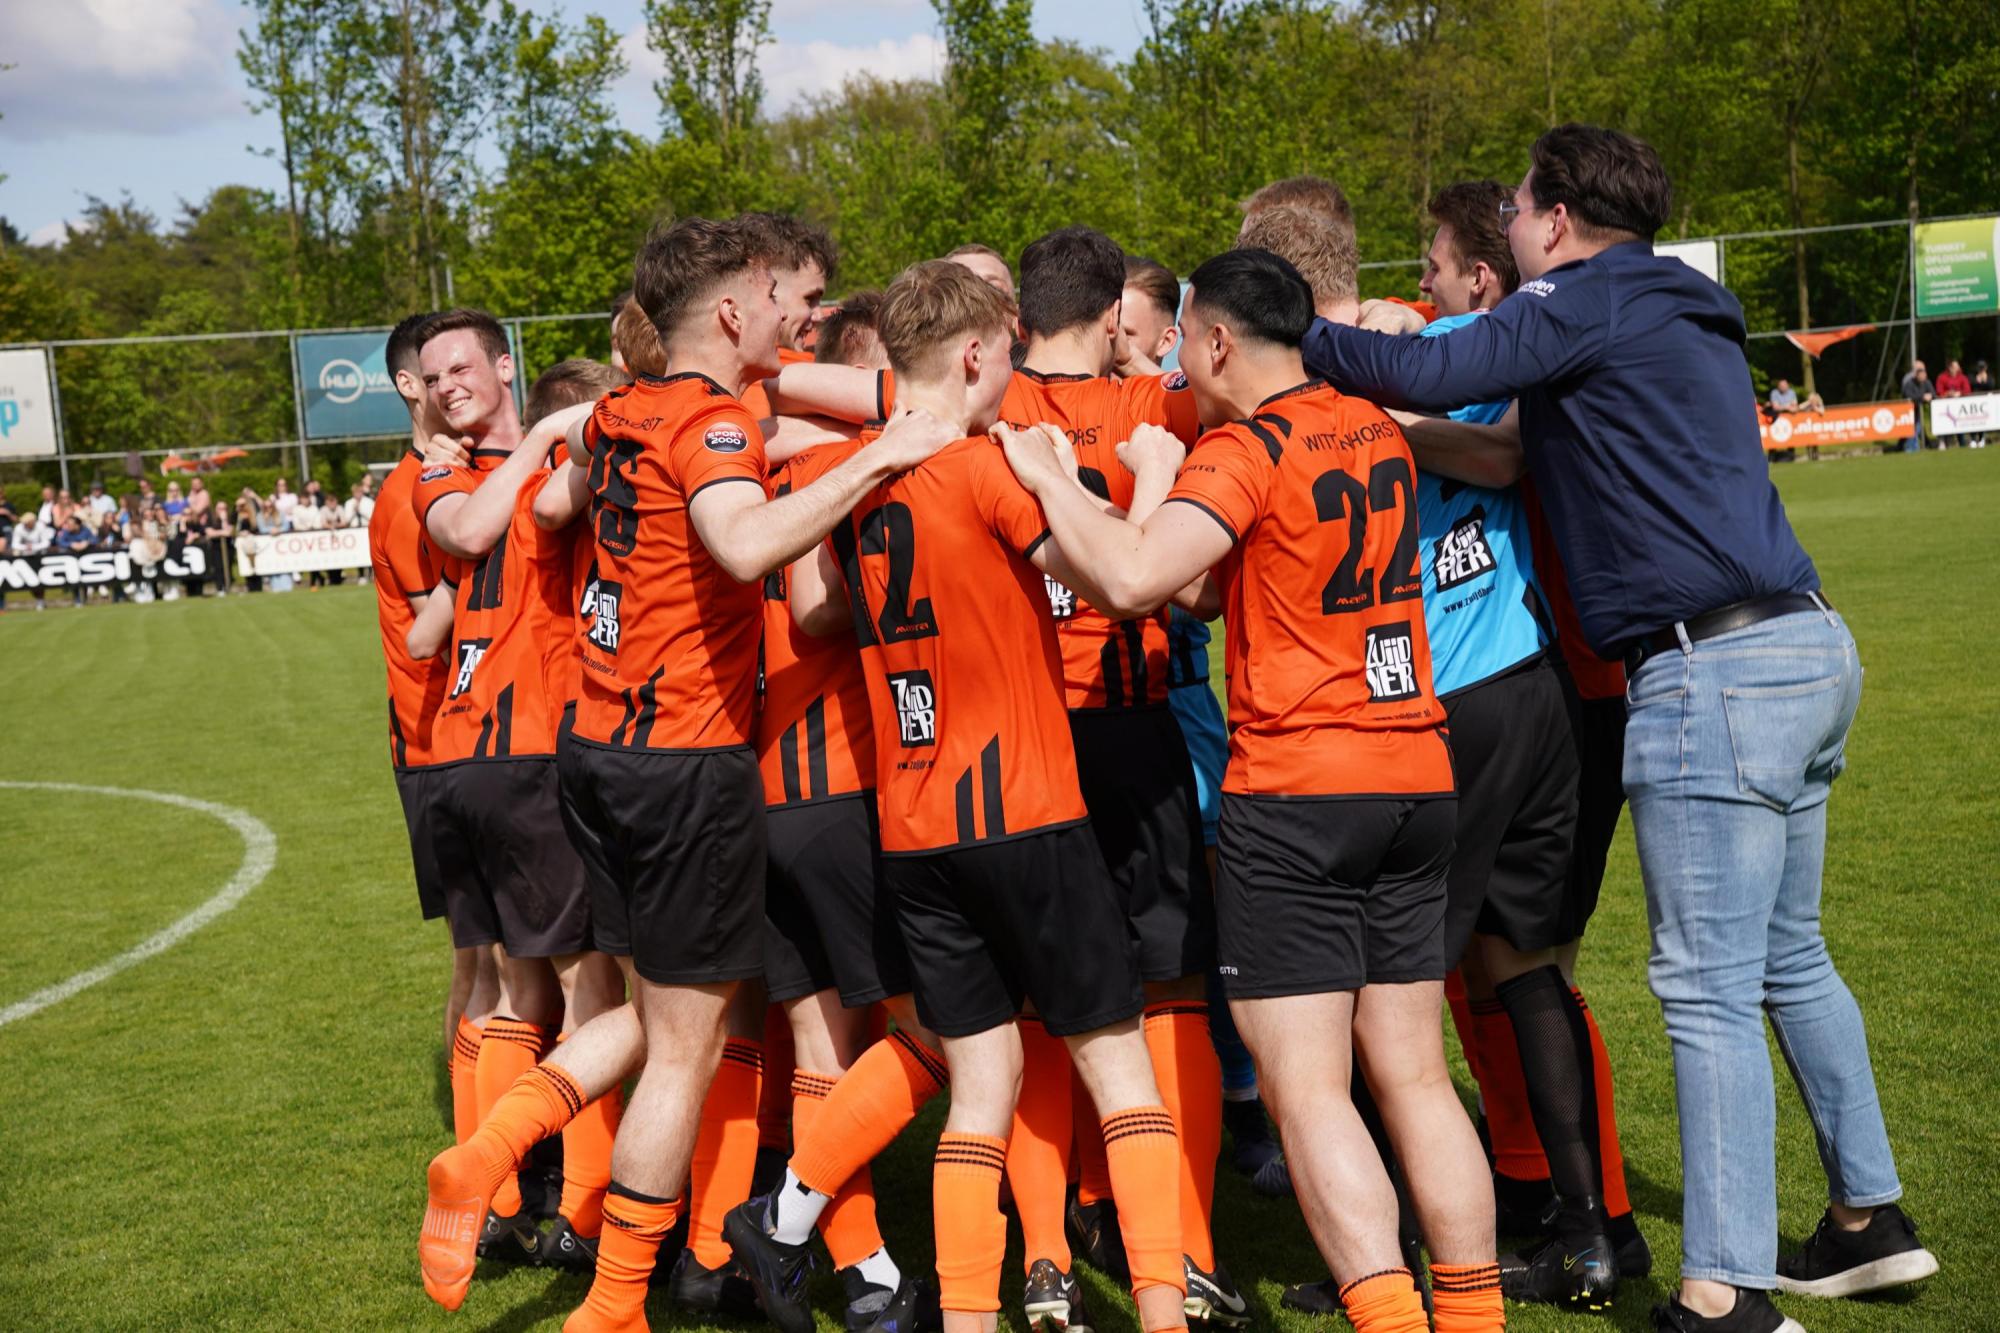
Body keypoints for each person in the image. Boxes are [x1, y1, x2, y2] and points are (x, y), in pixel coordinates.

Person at [1304, 121, 1936, 1333]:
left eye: (1519, 209)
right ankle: (1866, 1220)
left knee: (1703, 992)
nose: (1510, 230)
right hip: (1804, 642)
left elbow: (1431, 375)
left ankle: (1722, 1291)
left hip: (1708, 671)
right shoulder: (1680, 299)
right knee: (1789, 959)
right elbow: (1493, 432)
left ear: (1555, 221)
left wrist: (1297, 327)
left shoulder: (1579, 299)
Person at [417, 217, 959, 1330]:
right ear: (728, 309)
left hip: (598, 752)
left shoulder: (626, 410)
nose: (786, 317)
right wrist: (879, 457)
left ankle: (489, 1151)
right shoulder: (710, 423)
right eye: (771, 296)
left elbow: (569, 477)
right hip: (681, 763)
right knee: (687, 1044)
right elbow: (743, 543)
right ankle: (615, 1301)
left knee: (653, 1008)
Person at [997, 246, 1501, 1333]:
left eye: (1182, 339)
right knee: (1416, 1076)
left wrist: (1049, 479)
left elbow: (1132, 580)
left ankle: (1392, 1321)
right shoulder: (1371, 426)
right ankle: (1475, 1319)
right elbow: (1212, 588)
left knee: (1306, 1088)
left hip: (1302, 785)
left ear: (1219, 341)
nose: (1174, 361)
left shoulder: (1245, 447)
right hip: (1415, 771)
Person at [738, 258, 1191, 1333]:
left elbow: (821, 608)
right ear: (978, 353)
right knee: (1118, 1070)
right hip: (1025, 809)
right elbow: (1124, 582)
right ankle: (1165, 1316)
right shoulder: (990, 468)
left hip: (915, 826)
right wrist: (1130, 475)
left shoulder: (853, 477)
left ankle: (969, 1318)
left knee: (979, 1082)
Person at [371, 311, 503, 1185]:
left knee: (492, 957)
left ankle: (496, 1145)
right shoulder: (411, 495)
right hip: (437, 746)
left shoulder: (454, 475)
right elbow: (428, 632)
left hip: (468, 741)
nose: (450, 388)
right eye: (432, 374)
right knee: (481, 959)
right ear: (408, 387)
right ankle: (480, 1151)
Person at [9, 510, 51, 611]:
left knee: (41, 581)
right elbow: (15, 544)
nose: (26, 524)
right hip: (26, 558)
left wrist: (33, 547)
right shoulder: (19, 528)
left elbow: (46, 543)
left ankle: (41, 601)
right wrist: (26, 547)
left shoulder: (40, 527)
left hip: (40, 556)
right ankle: (39, 601)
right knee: (30, 581)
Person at [54, 514, 94, 606]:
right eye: (67, 524)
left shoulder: (86, 530)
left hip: (85, 560)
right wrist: (71, 544)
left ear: (77, 525)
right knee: (73, 579)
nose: (68, 526)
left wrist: (86, 543)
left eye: (70, 524)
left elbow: (94, 539)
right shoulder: (65, 532)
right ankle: (77, 599)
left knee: (84, 580)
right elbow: (60, 542)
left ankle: (84, 599)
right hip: (71, 560)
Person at [1899, 361, 1932, 452]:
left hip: (1917, 409)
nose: (1923, 372)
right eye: (1921, 369)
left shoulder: (1925, 381)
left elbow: (1931, 392)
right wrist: (1922, 397)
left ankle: (1911, 447)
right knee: (1913, 428)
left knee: (1916, 428)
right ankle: (1910, 448)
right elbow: (1907, 395)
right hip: (1909, 409)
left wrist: (1928, 396)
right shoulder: (1908, 380)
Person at [1969, 360, 1992, 448]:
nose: (1981, 369)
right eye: (1980, 368)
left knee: (1983, 421)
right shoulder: (1973, 376)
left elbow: (1990, 385)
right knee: (1973, 420)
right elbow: (1971, 385)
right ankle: (1973, 439)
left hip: (1985, 404)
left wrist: (1985, 380)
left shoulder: (1989, 377)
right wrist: (1977, 381)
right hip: (1974, 403)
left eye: (1983, 367)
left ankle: (1982, 438)